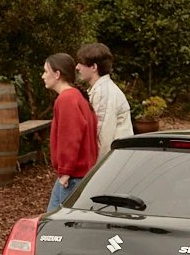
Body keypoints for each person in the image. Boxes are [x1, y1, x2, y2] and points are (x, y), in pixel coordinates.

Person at [43, 54, 99, 212]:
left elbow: (70, 137)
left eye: (46, 71)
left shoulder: (66, 99)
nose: (43, 76)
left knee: (55, 228)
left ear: (57, 74)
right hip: (78, 175)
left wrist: (66, 172)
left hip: (73, 177)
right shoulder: (77, 97)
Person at [75, 42, 132, 165]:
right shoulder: (100, 90)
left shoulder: (104, 93)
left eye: (81, 63)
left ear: (94, 67)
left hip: (114, 164)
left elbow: (103, 138)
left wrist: (93, 174)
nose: (77, 67)